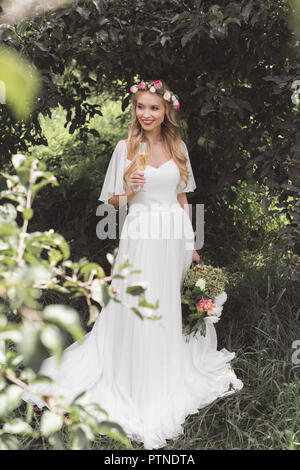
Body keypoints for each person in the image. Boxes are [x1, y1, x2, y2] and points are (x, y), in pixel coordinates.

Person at [22, 79, 243, 450]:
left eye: (153, 108)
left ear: (166, 111)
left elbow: (183, 199)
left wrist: (190, 244)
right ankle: (134, 375)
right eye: (140, 107)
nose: (146, 114)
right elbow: (111, 204)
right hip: (141, 236)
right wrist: (130, 189)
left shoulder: (178, 147)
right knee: (138, 304)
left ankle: (168, 366)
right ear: (135, 109)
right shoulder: (126, 148)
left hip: (172, 236)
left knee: (170, 303)